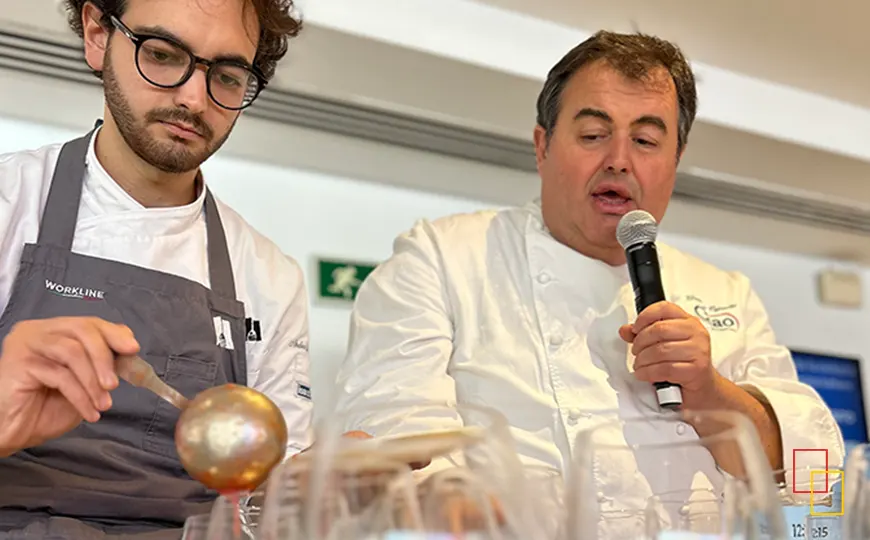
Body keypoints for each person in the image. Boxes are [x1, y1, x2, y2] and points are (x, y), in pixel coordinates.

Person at [333, 30, 844, 506]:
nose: (619, 160)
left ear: (675, 159)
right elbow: (396, 441)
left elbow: (815, 477)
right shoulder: (442, 257)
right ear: (542, 146)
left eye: (645, 141)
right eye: (594, 134)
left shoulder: (727, 292)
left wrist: (710, 392)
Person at [0, 0, 312, 536]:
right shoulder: (10, 202)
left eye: (228, 76)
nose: (194, 99)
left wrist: (326, 486)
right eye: (163, 55)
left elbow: (267, 499)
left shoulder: (269, 275)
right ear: (98, 35)